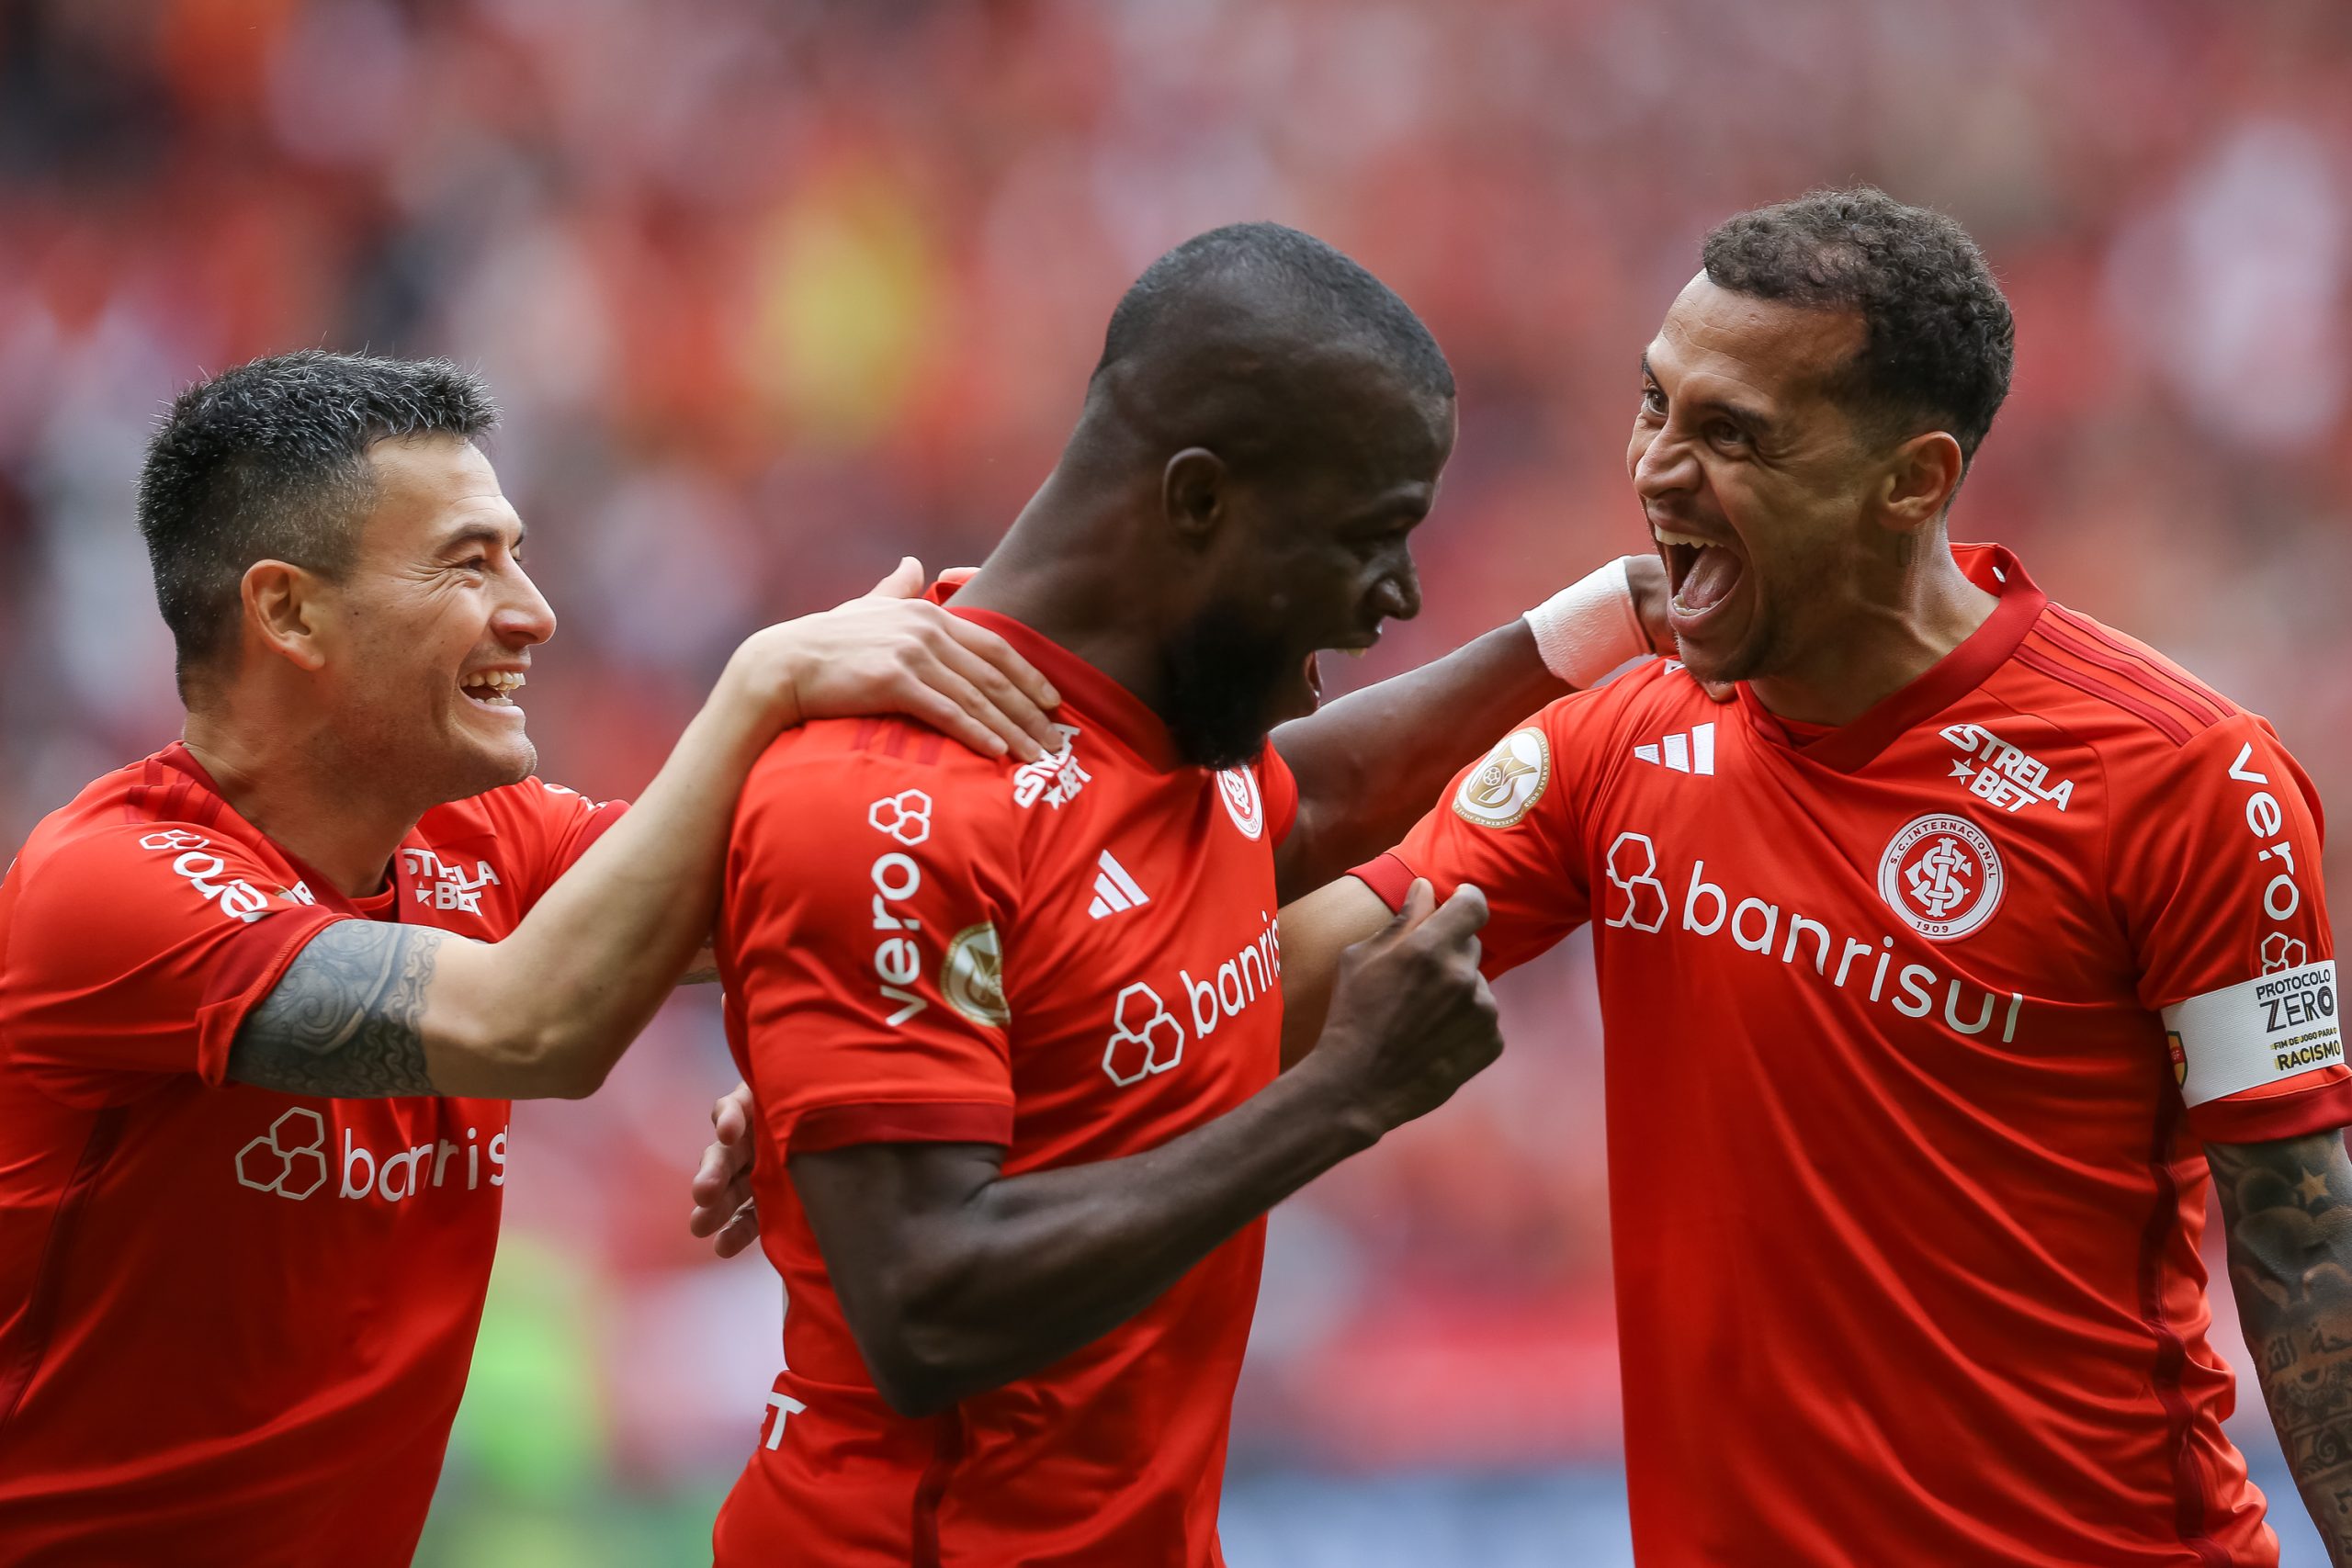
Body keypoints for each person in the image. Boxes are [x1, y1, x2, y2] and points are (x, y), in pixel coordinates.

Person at [1281, 187, 2351, 1567]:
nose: (1660, 469)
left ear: (1912, 478)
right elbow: (1280, 983)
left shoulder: (2187, 780)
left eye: (1733, 435)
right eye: (1655, 406)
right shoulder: (1628, 734)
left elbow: (2306, 1260)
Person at [706, 222, 1689, 1566]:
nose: (1398, 592)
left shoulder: (1155, 736)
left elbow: (1305, 801)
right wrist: (1341, 1097)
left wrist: (1596, 626)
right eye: (1371, 536)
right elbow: (926, 1306)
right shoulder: (888, 805)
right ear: (1197, 502)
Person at [0, 350, 1067, 1566]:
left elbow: (865, 903)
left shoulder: (488, 843)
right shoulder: (112, 885)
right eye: (470, 562)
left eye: (517, 550)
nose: (534, 610)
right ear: (288, 610)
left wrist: (822, 1046)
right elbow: (531, 1026)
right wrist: (761, 684)